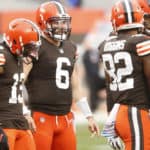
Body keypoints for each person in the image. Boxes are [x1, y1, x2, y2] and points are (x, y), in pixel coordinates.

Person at [24, 1, 99, 150]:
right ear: (43, 23)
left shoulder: (71, 47)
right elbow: (17, 82)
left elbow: (75, 84)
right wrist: (24, 112)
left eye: (64, 23)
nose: (61, 27)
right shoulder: (35, 47)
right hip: (41, 115)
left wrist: (89, 115)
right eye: (56, 23)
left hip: (66, 117)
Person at [98, 0, 150, 149]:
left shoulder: (105, 45)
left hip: (120, 110)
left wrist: (110, 117)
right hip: (136, 111)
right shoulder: (141, 42)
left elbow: (108, 84)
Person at [1, 18, 41, 150]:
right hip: (4, 123)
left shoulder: (17, 57)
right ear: (14, 42)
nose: (31, 51)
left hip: (19, 122)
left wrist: (25, 113)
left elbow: (15, 88)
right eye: (28, 46)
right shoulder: (2, 56)